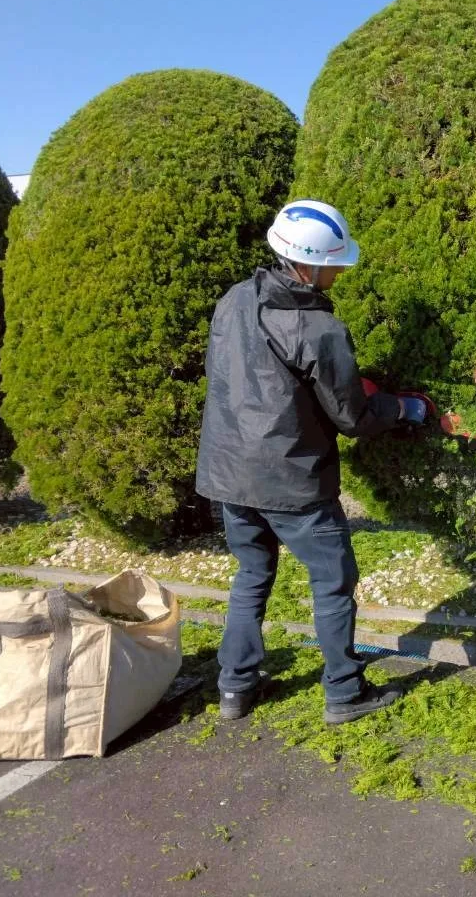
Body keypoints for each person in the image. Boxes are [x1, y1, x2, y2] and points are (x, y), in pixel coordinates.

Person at [195, 199, 428, 724]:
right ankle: (344, 692)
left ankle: (234, 688)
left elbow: (236, 376)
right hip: (293, 483)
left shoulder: (233, 301)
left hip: (230, 474)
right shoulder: (319, 330)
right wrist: (403, 408)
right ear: (309, 264)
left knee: (252, 574)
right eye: (336, 265)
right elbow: (352, 417)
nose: (340, 272)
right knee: (332, 581)